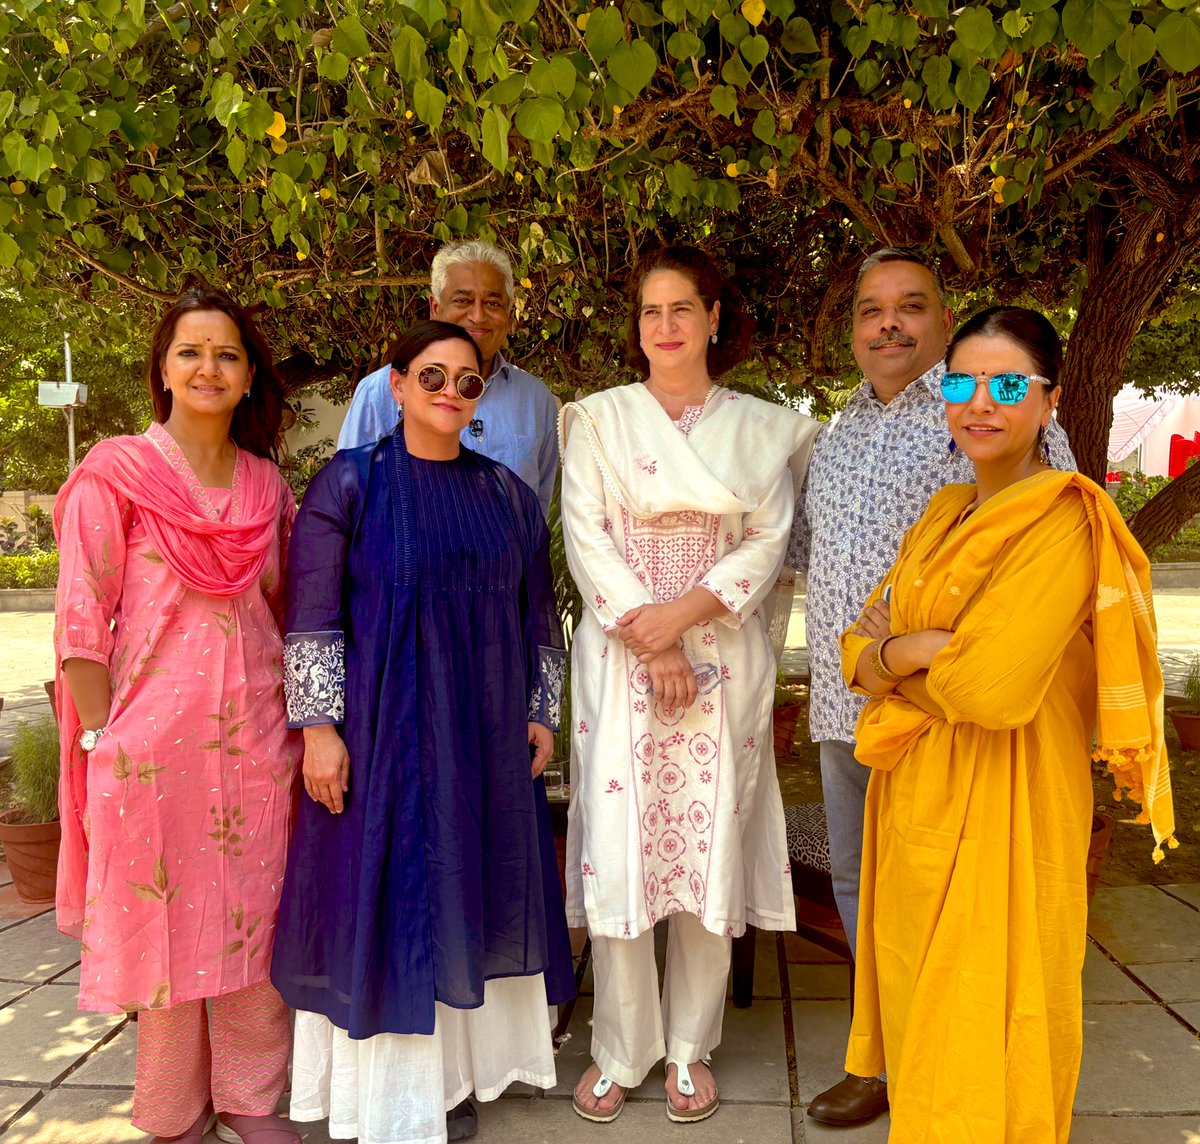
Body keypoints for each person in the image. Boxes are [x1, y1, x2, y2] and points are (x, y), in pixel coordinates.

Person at [839, 306, 1176, 1141]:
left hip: (1011, 802)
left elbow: (993, 692)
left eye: (1007, 384)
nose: (980, 402)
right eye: (962, 381)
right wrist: (915, 652)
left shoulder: (1063, 519)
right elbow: (853, 645)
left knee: (994, 1006)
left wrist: (900, 656)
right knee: (924, 1005)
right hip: (915, 798)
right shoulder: (943, 511)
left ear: (1050, 401)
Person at [270, 319, 575, 1144]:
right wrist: (319, 730)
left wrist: (543, 711)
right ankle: (386, 1096)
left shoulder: (508, 495)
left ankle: (455, 1080)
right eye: (431, 376)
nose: (449, 391)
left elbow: (539, 614)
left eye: (467, 381)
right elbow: (312, 616)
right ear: (396, 385)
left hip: (480, 733)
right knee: (390, 890)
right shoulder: (350, 482)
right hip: (380, 733)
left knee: (467, 885)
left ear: (480, 398)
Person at [793, 248, 1075, 1127]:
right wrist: (871, 654)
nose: (888, 324)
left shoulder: (987, 414)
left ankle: (961, 1068)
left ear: (943, 325)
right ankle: (884, 1060)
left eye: (910, 307)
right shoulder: (835, 433)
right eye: (870, 310)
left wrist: (909, 648)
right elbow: (818, 570)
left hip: (952, 721)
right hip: (849, 703)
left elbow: (1029, 573)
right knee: (864, 890)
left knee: (959, 902)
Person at [560, 245, 819, 1124]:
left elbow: (769, 537)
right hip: (623, 657)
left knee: (706, 844)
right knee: (626, 840)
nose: (663, 327)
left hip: (723, 660)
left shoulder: (762, 427)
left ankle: (687, 1048)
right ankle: (619, 1047)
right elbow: (587, 535)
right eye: (648, 312)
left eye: (681, 309)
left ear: (715, 318)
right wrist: (652, 634)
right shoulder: (596, 420)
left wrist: (686, 618)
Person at [53, 288, 301, 1144]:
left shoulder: (268, 485)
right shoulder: (115, 474)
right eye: (191, 352)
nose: (208, 367)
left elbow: (283, 604)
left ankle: (250, 1098)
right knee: (162, 932)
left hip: (259, 745)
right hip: (149, 748)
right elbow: (82, 618)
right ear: (163, 370)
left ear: (247, 377)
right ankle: (170, 1107)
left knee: (251, 924)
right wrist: (99, 740)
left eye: (226, 354)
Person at [337, 239, 559, 518]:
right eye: (463, 301)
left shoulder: (536, 401)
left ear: (508, 313)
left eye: (493, 302)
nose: (477, 316)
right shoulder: (380, 392)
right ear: (435, 307)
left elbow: (535, 515)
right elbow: (348, 505)